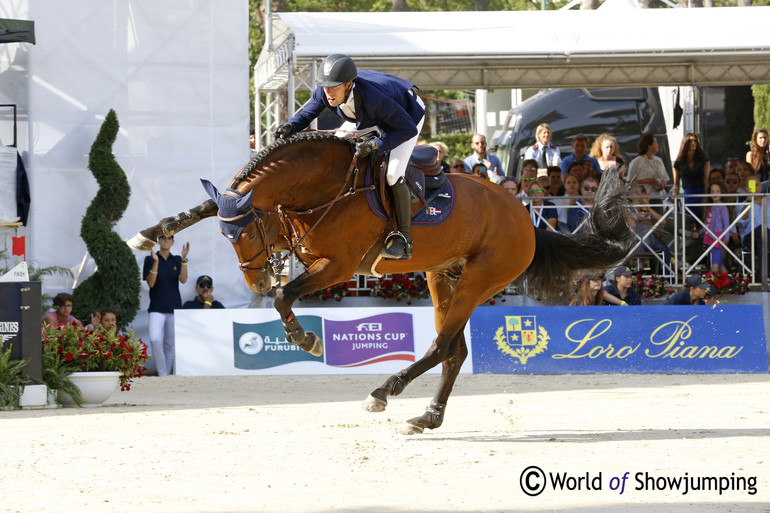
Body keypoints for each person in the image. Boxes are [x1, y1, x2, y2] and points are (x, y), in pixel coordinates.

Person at [274, 54, 425, 261]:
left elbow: (405, 129)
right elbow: (307, 114)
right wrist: (289, 126)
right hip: (370, 116)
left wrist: (375, 145)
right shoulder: (325, 91)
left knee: (391, 174)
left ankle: (403, 240)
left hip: (408, 116)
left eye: (333, 87)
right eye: (325, 86)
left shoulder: (374, 98)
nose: (328, 92)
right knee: (335, 148)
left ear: (348, 85)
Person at [143, 234, 189, 376]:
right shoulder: (150, 259)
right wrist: (156, 262)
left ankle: (166, 376)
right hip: (156, 306)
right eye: (163, 238)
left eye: (169, 238)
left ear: (172, 241)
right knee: (155, 339)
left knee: (169, 345)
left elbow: (183, 279)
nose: (166, 241)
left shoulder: (176, 260)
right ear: (159, 241)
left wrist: (184, 260)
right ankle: (163, 373)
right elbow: (151, 283)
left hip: (174, 306)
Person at [693, 181, 730, 274]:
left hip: (718, 237)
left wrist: (726, 238)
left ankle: (712, 283)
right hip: (711, 236)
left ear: (722, 193)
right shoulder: (710, 207)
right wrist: (700, 233)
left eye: (717, 191)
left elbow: (726, 224)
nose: (715, 193)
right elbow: (707, 225)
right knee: (720, 263)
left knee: (715, 265)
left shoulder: (722, 207)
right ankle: (728, 282)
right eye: (712, 191)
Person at [673, 133, 710, 224]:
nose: (693, 143)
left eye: (695, 141)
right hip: (688, 194)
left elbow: (706, 180)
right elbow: (676, 182)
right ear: (685, 143)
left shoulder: (704, 160)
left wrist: (706, 196)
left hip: (701, 192)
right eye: (690, 141)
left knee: (703, 220)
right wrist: (675, 193)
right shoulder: (679, 163)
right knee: (689, 221)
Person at [627, 133, 669, 199]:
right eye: (655, 142)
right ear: (649, 145)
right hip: (643, 199)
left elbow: (664, 178)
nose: (658, 144)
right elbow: (629, 181)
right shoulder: (637, 161)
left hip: (659, 196)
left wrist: (662, 185)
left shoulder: (659, 160)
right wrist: (646, 181)